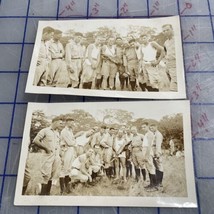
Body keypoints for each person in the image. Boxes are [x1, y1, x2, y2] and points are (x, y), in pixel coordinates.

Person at [32, 116, 64, 195]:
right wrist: (46, 148)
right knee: (46, 175)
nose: (62, 125)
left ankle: (47, 193)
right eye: (60, 123)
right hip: (47, 156)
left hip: (56, 157)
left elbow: (57, 145)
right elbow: (35, 141)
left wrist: (60, 155)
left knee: (52, 176)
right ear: (55, 122)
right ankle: (42, 195)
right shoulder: (45, 131)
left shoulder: (57, 133)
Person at [59, 117, 77, 194]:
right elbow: (70, 143)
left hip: (71, 150)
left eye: (73, 122)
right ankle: (62, 190)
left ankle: (67, 189)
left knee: (69, 169)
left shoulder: (70, 131)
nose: (72, 124)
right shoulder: (64, 131)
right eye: (71, 122)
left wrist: (73, 142)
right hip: (65, 150)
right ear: (67, 122)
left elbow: (73, 141)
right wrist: (74, 142)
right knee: (64, 169)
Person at [141, 122, 158, 192]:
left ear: (148, 126)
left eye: (144, 127)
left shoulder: (150, 134)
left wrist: (146, 155)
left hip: (148, 151)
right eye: (142, 127)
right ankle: (151, 184)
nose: (143, 128)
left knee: (151, 168)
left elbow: (149, 146)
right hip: (144, 150)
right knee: (148, 168)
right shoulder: (146, 134)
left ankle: (154, 186)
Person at [162, 24, 177, 91]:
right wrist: (165, 61)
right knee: (170, 79)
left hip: (175, 63)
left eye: (167, 30)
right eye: (164, 31)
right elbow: (165, 51)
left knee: (174, 85)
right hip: (168, 64)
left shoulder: (177, 40)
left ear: (172, 29)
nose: (166, 32)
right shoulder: (166, 42)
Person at [150, 123, 164, 188]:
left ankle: (160, 182)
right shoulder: (154, 134)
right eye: (151, 128)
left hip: (157, 151)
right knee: (156, 166)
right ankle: (157, 182)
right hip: (153, 150)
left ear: (156, 127)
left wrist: (157, 153)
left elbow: (158, 145)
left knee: (159, 166)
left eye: (152, 128)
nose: (151, 129)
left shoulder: (158, 134)